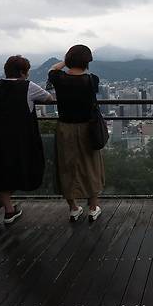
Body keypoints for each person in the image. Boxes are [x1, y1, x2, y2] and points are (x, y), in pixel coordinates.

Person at [0, 55, 53, 223]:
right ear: (23, 72)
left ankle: (8, 209)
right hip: (20, 140)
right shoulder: (28, 87)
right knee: (19, 168)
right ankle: (6, 207)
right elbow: (50, 98)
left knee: (1, 172)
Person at [48, 44, 105, 222]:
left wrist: (66, 61)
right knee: (91, 165)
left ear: (69, 59)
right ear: (87, 61)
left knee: (66, 166)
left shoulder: (58, 77)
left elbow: (53, 68)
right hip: (88, 128)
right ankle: (93, 207)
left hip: (65, 128)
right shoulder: (92, 80)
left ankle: (73, 208)